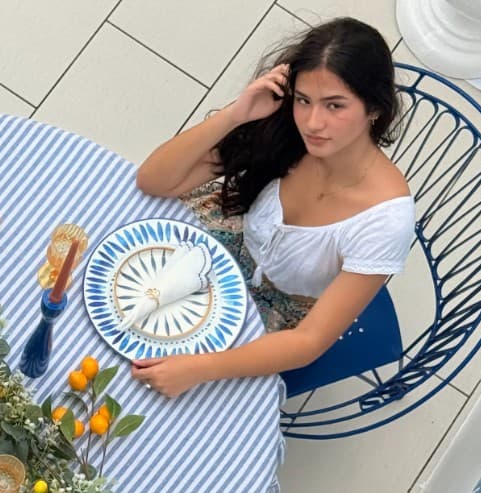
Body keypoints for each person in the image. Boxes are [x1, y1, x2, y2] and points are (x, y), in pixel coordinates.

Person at [131, 17, 415, 398]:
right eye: (303, 100)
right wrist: (237, 114)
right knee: (123, 301)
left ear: (375, 109)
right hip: (222, 240)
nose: (313, 122)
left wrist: (199, 368)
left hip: (277, 311)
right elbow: (153, 180)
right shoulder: (283, 132)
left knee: (156, 379)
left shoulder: (385, 219)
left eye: (335, 105)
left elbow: (310, 340)